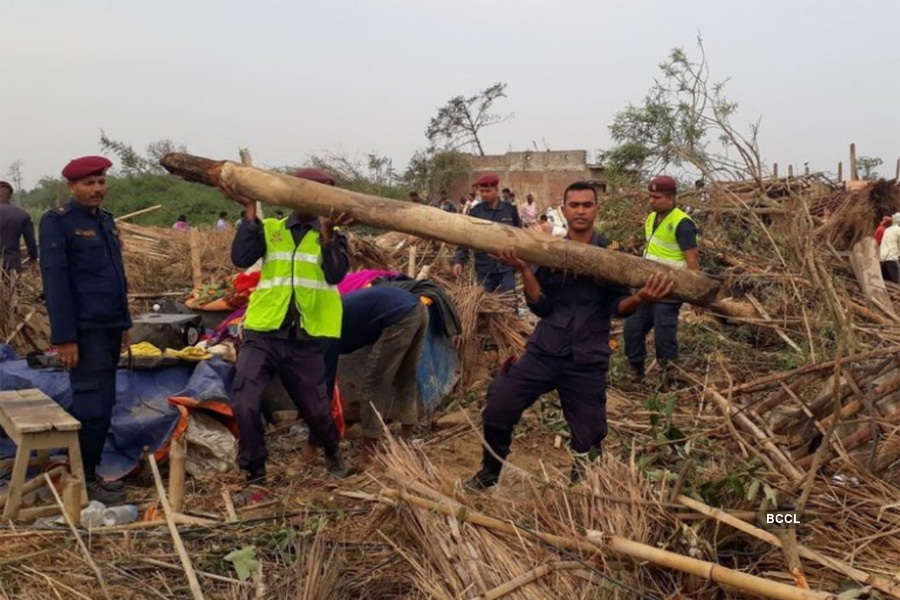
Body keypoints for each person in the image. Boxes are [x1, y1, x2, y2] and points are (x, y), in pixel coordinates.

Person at [466, 182, 674, 489]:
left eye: (586, 205)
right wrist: (524, 270)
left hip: (587, 358)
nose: (580, 211)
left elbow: (619, 307)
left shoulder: (611, 256)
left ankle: (582, 488)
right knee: (498, 407)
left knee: (589, 438)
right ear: (564, 210)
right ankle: (489, 474)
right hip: (544, 351)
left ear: (596, 209)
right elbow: (541, 307)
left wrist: (642, 298)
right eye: (574, 205)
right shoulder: (549, 252)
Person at [224, 167, 352, 483]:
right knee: (245, 402)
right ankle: (255, 473)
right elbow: (241, 257)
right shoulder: (271, 229)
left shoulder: (335, 238)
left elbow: (335, 275)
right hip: (263, 331)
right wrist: (250, 212)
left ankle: (333, 453)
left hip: (305, 337)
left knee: (317, 410)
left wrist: (328, 235)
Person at [39, 156, 131, 503]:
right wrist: (64, 338)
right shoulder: (57, 223)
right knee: (92, 405)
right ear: (72, 187)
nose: (97, 189)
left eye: (101, 182)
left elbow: (116, 278)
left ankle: (88, 470)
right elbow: (56, 282)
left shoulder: (105, 222)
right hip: (84, 331)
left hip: (109, 327)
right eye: (89, 183)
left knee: (105, 404)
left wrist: (125, 325)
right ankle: (84, 478)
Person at [328, 286, 428, 459]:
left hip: (398, 316)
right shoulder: (339, 310)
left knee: (374, 384)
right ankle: (406, 439)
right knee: (406, 377)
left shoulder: (329, 325)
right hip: (418, 308)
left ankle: (369, 452)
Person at [624, 176, 700, 388]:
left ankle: (669, 378)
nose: (652, 200)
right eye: (650, 196)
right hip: (648, 287)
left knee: (664, 333)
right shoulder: (650, 219)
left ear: (670, 198)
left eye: (656, 197)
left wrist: (695, 294)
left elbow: (692, 259)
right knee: (633, 327)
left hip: (670, 289)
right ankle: (636, 373)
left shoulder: (682, 223)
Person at [452, 173, 522, 292]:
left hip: (506, 267)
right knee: (484, 303)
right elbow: (466, 238)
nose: (484, 194)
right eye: (482, 191)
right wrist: (459, 261)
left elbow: (519, 236)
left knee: (509, 303)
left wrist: (520, 262)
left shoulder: (510, 209)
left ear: (496, 190)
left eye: (488, 191)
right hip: (484, 269)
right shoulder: (475, 212)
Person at [0, 181, 38, 273]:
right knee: (11, 287)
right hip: (11, 265)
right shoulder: (22, 214)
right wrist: (33, 258)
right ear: (10, 196)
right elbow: (31, 243)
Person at [879, 212, 900, 283]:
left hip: (883, 259)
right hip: (892, 259)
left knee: (885, 281)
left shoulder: (887, 230)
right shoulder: (898, 230)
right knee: (897, 281)